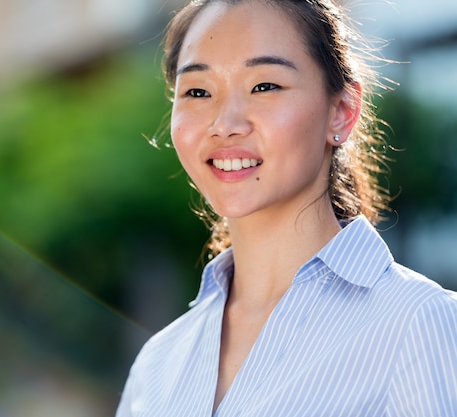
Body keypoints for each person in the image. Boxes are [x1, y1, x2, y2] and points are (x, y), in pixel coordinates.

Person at [116, 0, 457, 416]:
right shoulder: (157, 365)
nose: (225, 124)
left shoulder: (418, 324)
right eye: (198, 92)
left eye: (265, 86)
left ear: (342, 112)